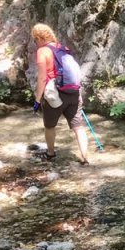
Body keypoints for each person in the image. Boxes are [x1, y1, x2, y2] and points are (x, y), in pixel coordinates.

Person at [31, 23, 89, 165]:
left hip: (54, 94)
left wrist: (37, 100)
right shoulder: (63, 49)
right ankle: (85, 158)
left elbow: (42, 78)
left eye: (35, 40)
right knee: (78, 127)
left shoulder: (43, 51)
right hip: (73, 92)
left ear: (39, 38)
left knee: (50, 126)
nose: (35, 43)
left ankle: (50, 154)